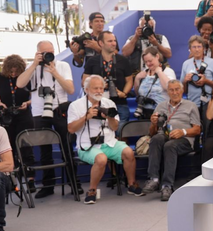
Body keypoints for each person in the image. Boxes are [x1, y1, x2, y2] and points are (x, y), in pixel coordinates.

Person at [67, 75, 143, 204]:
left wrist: (109, 117)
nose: (99, 91)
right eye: (95, 88)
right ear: (86, 89)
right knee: (101, 159)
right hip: (88, 145)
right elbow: (71, 129)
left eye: (101, 88)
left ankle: (131, 184)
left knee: (128, 152)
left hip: (109, 142)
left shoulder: (109, 103)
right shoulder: (76, 105)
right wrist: (86, 117)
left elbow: (115, 127)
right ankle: (92, 190)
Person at [15, 41, 75, 199]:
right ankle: (48, 186)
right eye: (45, 53)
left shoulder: (62, 65)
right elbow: (20, 83)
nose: (49, 56)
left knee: (66, 146)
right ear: (38, 53)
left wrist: (54, 72)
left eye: (51, 52)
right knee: (44, 150)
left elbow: (70, 89)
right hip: (39, 112)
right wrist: (34, 64)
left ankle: (74, 183)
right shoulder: (32, 66)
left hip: (59, 109)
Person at [142, 80, 201, 201]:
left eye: (177, 89)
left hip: (184, 140)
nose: (174, 92)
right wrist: (153, 124)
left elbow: (197, 129)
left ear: (182, 90)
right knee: (156, 138)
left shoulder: (191, 106)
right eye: (171, 90)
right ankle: (154, 179)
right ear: (167, 92)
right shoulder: (160, 106)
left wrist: (183, 132)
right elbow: (152, 132)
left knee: (170, 146)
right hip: (165, 136)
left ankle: (167, 185)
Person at [0, 55, 34, 190]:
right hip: (7, 115)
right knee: (9, 149)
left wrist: (27, 103)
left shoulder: (26, 77)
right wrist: (0, 105)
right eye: (11, 71)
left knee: (27, 147)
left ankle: (30, 179)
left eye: (16, 71)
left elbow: (35, 96)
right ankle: (11, 181)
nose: (14, 74)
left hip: (24, 115)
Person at [83, 31, 134, 124]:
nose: (114, 43)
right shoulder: (92, 61)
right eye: (110, 41)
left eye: (114, 41)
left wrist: (124, 93)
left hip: (120, 103)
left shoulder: (123, 60)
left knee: (121, 132)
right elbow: (84, 82)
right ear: (101, 43)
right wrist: (99, 86)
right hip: (97, 103)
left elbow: (129, 80)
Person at [180, 35, 213, 120]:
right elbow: (183, 90)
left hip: (208, 102)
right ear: (190, 49)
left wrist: (206, 81)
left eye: (199, 46)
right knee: (194, 130)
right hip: (192, 102)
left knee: (208, 129)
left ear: (204, 48)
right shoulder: (186, 64)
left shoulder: (212, 62)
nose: (197, 49)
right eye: (194, 47)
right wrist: (185, 81)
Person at [133, 47, 176, 118]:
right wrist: (137, 79)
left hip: (162, 113)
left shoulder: (168, 71)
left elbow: (169, 88)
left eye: (150, 61)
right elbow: (138, 93)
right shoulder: (144, 73)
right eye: (146, 62)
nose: (148, 64)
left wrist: (159, 72)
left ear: (157, 56)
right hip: (145, 112)